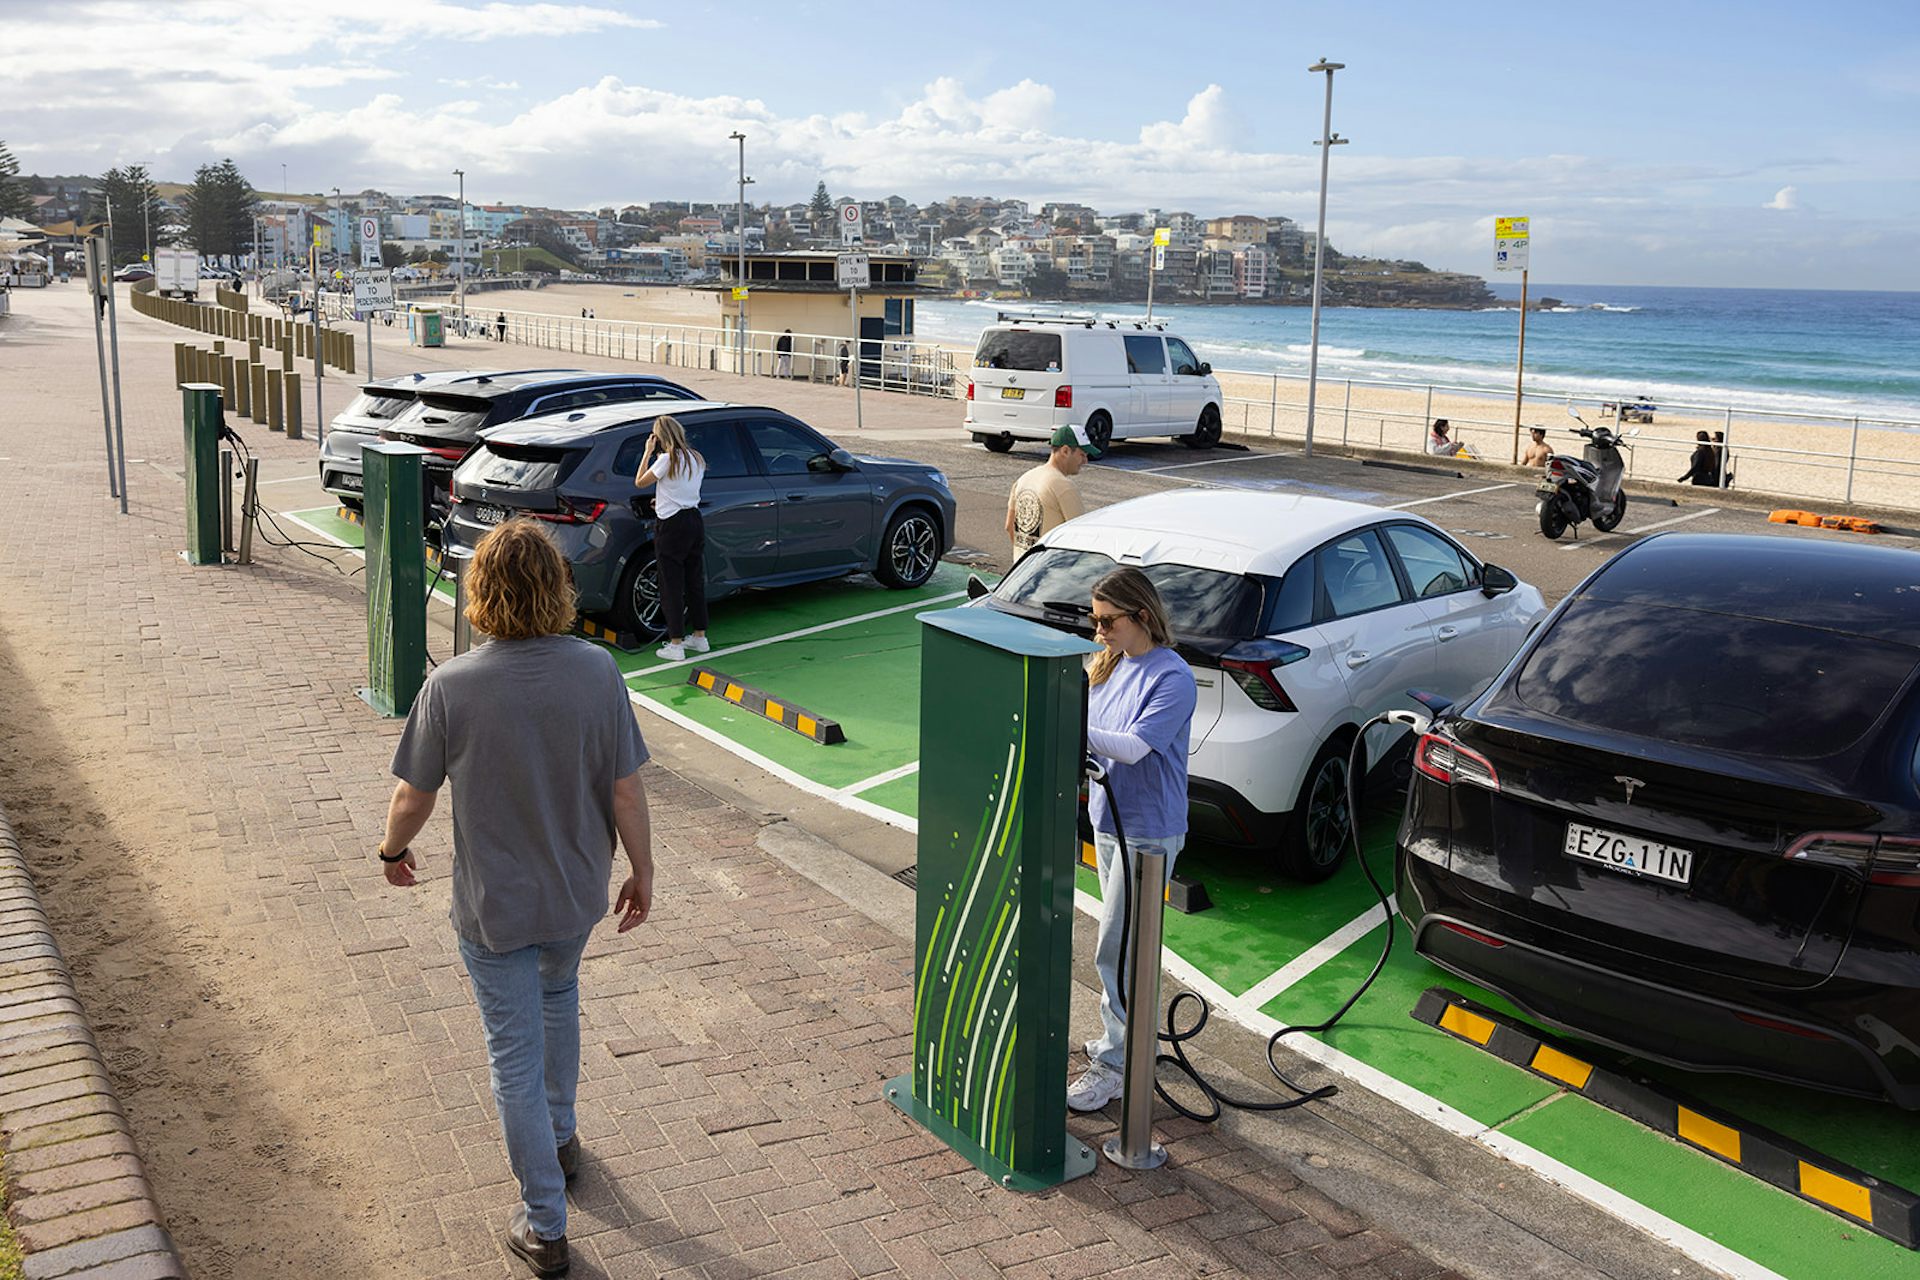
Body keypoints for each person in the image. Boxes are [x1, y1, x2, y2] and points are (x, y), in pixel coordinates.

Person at [378, 519, 654, 1278]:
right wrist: (644, 872)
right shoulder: (597, 672)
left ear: (481, 593)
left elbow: (413, 796)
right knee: (559, 997)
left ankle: (544, 1225)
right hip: (575, 894)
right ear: (558, 589)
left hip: (494, 908)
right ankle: (562, 1140)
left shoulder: (452, 686)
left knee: (512, 1059)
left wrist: (392, 851)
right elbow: (626, 790)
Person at [1069, 567, 1197, 1113]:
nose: (1098, 631)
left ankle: (1116, 1065)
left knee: (1118, 947)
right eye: (1094, 620)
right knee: (1118, 942)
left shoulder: (1172, 677)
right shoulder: (1112, 664)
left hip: (1149, 830)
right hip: (1110, 819)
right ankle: (1121, 1045)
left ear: (1141, 616)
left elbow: (1136, 746)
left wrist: (1066, 716)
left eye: (1107, 621)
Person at [633, 414, 709, 661]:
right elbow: (682, 489)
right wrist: (663, 499)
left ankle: (675, 643)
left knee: (670, 583)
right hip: (694, 520)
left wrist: (647, 452)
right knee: (694, 579)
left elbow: (639, 483)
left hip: (672, 526)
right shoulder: (696, 457)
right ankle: (700, 636)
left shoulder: (666, 460)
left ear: (660, 437)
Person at [1006, 423, 1098, 552]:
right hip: (1050, 569)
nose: (1085, 461)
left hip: (1023, 568)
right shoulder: (1064, 486)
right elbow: (1079, 538)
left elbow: (1009, 527)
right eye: (1082, 455)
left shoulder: (1024, 479)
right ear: (1065, 451)